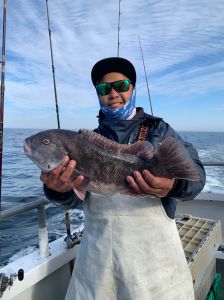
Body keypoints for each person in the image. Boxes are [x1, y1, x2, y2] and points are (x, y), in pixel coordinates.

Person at [41, 57, 206, 300]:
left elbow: (196, 178)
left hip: (156, 265)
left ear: (133, 88)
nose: (113, 93)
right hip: (96, 263)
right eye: (104, 88)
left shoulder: (160, 130)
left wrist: (172, 185)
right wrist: (59, 190)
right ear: (98, 94)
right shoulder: (83, 141)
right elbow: (76, 200)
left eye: (122, 85)